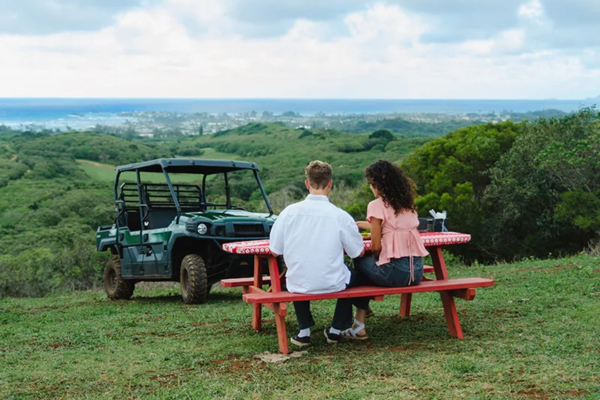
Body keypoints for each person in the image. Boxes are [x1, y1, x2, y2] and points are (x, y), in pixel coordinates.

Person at [269, 160, 365, 347]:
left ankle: (304, 332)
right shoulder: (340, 215)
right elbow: (357, 252)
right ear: (330, 184)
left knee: (299, 268)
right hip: (333, 282)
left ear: (307, 183)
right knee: (355, 275)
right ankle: (336, 330)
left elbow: (275, 250)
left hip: (297, 282)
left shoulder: (288, 213)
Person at [342, 160, 429, 340]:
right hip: (416, 274)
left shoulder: (376, 205)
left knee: (358, 259)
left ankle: (361, 316)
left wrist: (376, 254)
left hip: (394, 275)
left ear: (376, 185)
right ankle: (361, 318)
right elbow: (390, 226)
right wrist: (362, 224)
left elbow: (375, 247)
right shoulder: (407, 204)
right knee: (366, 266)